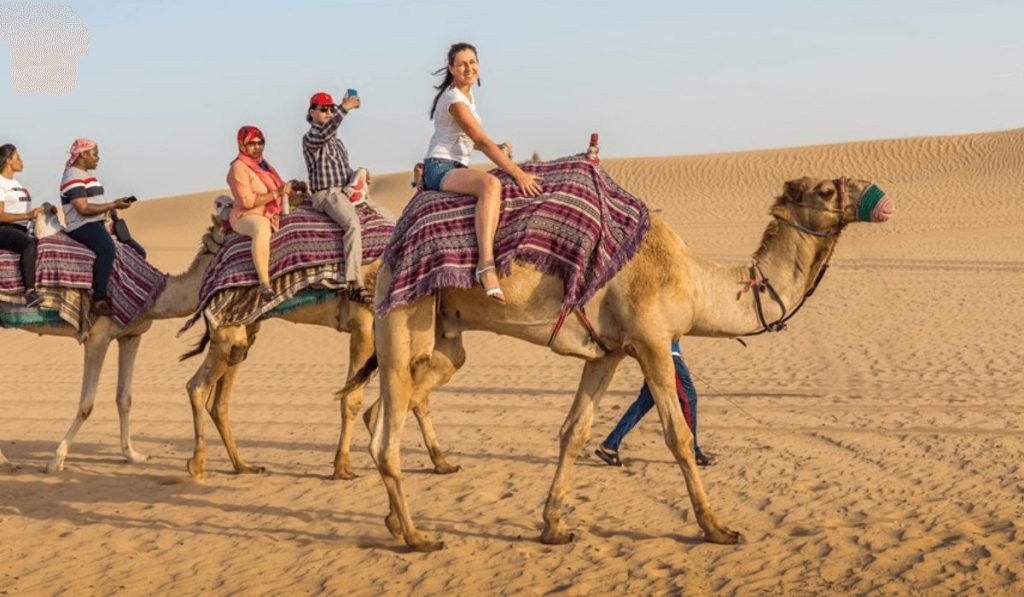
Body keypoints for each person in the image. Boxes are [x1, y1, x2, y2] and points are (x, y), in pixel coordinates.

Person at [422, 42, 543, 303]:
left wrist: (497, 147)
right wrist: (519, 174)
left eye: (473, 62)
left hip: (456, 165)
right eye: (462, 64)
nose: (469, 68)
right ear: (452, 68)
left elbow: (469, 141)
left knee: (496, 184)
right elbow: (481, 140)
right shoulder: (454, 100)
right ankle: (486, 265)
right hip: (439, 167)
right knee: (490, 185)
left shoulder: (467, 96)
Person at [302, 89, 374, 304]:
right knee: (352, 224)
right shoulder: (312, 138)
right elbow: (324, 133)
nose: (328, 113)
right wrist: (345, 109)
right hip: (327, 194)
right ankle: (354, 281)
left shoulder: (337, 143)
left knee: (384, 217)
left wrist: (358, 176)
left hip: (343, 192)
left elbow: (342, 170)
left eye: (331, 109)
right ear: (312, 112)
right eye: (323, 109)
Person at [595, 341, 717, 467]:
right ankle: (693, 451)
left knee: (643, 402)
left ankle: (610, 444)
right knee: (689, 399)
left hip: (655, 355)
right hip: (667, 356)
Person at [60, 138, 140, 316]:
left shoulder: (88, 177)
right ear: (83, 154)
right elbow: (83, 208)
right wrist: (113, 205)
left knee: (137, 251)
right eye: (95, 153)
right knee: (107, 250)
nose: (98, 158)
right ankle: (99, 299)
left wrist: (112, 214)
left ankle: (124, 294)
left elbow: (96, 203)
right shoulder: (72, 176)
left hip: (98, 223)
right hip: (82, 225)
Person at [227, 125, 292, 303]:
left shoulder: (264, 165)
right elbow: (247, 202)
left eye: (260, 143)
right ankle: (264, 282)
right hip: (247, 215)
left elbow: (278, 185)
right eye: (252, 144)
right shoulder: (239, 168)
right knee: (261, 229)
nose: (257, 147)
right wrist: (277, 193)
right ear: (242, 146)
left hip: (270, 211)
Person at [0, 144, 43, 307]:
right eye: (18, 157)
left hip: (23, 227)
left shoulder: (16, 183)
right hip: (4, 229)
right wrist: (27, 215)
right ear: (8, 160)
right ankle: (30, 292)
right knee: (28, 245)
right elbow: (0, 214)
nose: (22, 161)